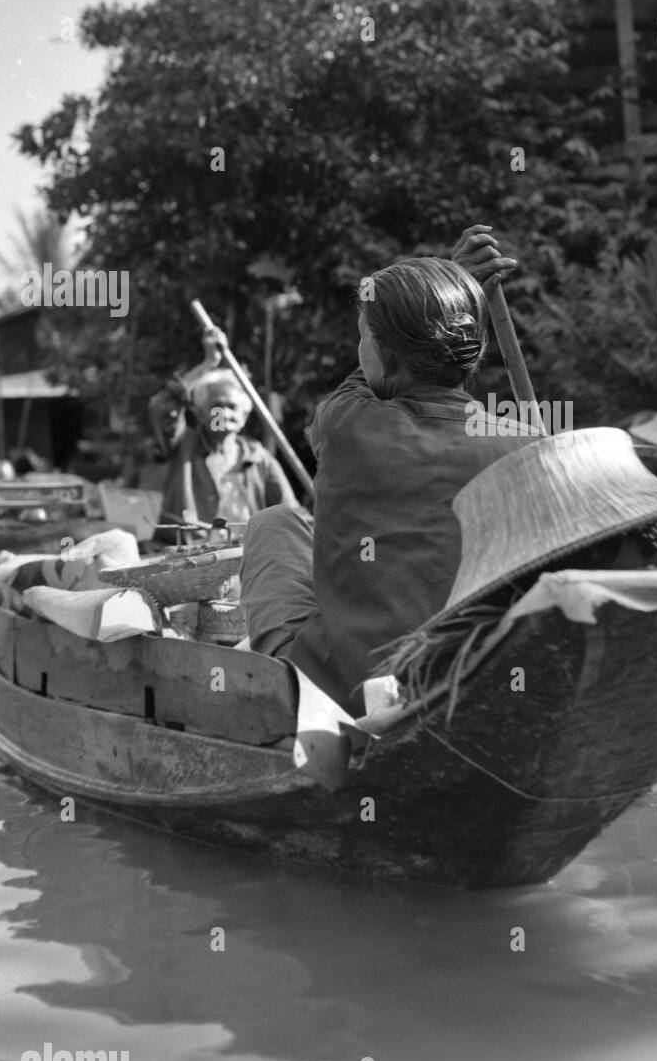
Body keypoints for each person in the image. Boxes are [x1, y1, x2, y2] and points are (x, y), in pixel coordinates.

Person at [239, 225, 538, 713]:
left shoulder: (347, 424)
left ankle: (289, 694)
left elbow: (364, 382)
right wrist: (451, 294)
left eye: (364, 339)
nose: (361, 350)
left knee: (273, 522)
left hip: (347, 688)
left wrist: (452, 278)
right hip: (473, 677)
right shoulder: (525, 445)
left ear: (381, 353)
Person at [148, 331, 297, 543]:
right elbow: (161, 407)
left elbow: (291, 512)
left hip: (246, 557)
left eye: (233, 407)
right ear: (200, 413)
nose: (225, 414)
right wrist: (209, 364)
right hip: (190, 556)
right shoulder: (184, 446)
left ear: (244, 415)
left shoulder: (258, 458)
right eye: (217, 407)